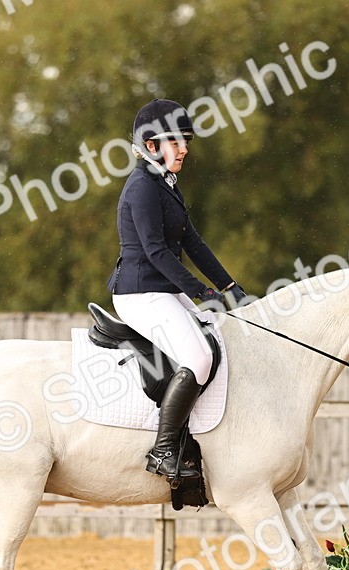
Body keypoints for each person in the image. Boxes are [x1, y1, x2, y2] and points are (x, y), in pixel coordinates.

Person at [106, 98, 247, 481]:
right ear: (151, 145)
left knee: (219, 337)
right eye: (176, 141)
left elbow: (193, 243)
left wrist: (230, 286)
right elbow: (154, 252)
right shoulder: (141, 188)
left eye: (186, 140)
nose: (185, 148)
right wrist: (201, 292)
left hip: (162, 288)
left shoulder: (165, 183)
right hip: (140, 292)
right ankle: (164, 449)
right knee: (199, 359)